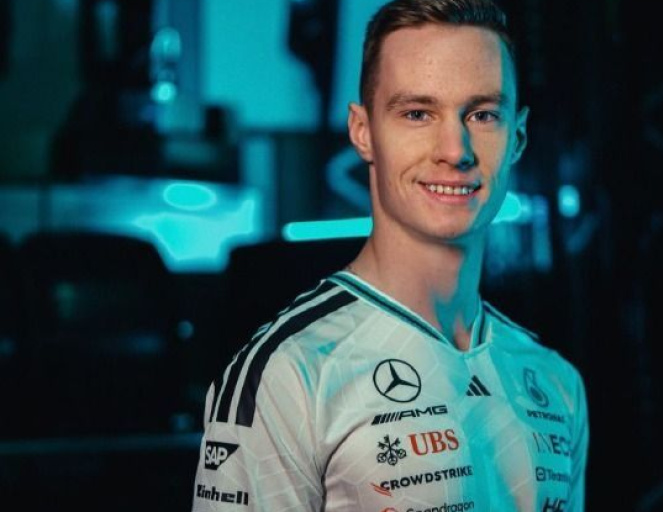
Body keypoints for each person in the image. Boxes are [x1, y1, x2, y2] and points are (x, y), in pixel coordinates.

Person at [191, 0, 588, 510]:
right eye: (417, 113)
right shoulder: (290, 375)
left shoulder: (556, 383)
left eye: (483, 115)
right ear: (363, 132)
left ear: (518, 137)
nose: (455, 150)